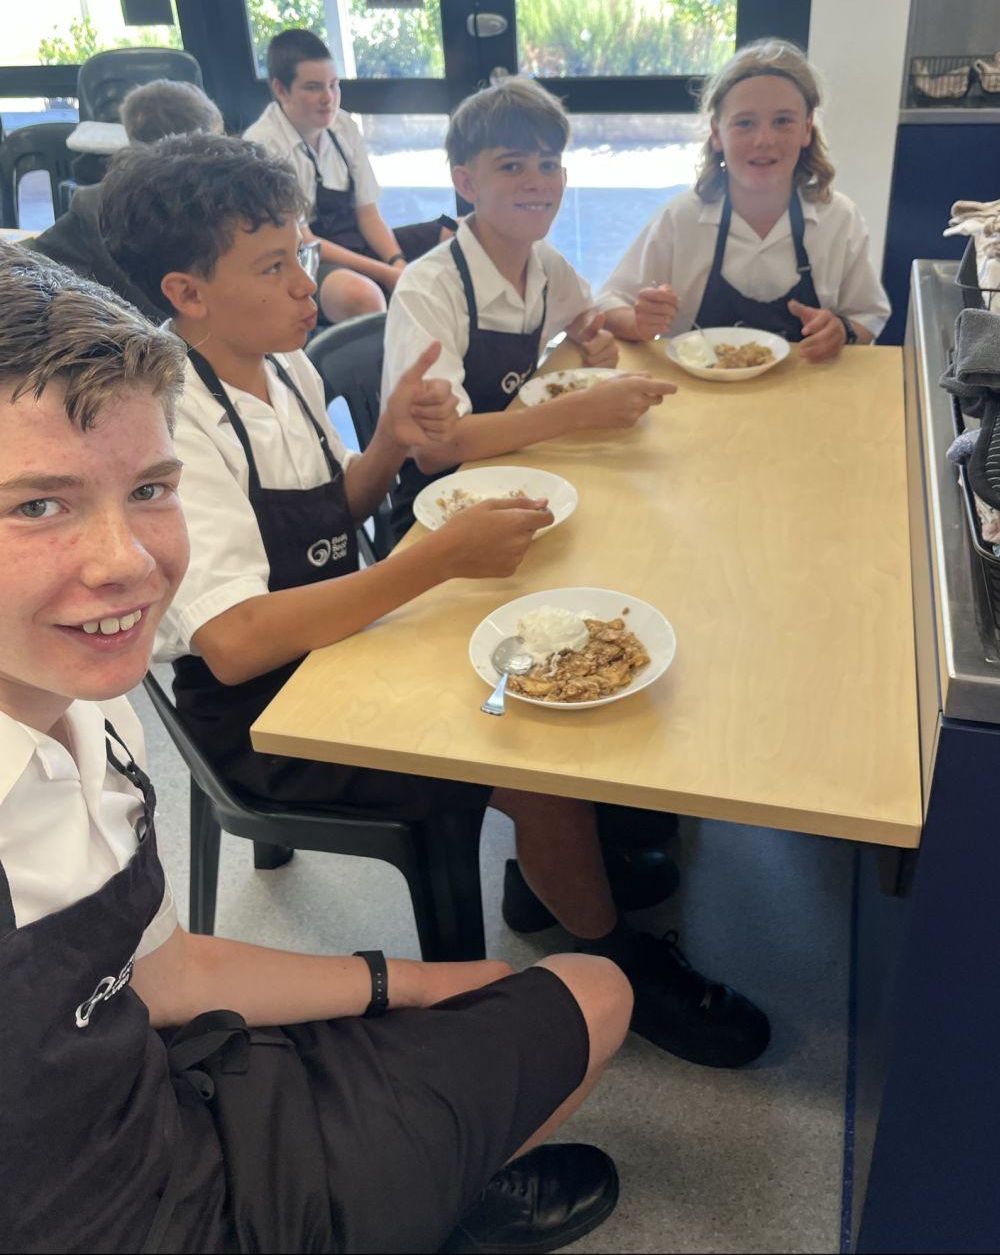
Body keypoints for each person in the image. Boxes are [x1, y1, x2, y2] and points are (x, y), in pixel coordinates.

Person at [0, 243, 632, 1254]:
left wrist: (403, 983)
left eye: (152, 490)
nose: (129, 565)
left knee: (587, 991)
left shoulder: (91, 702)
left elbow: (160, 977)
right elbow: (234, 641)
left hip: (168, 1096)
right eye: (39, 505)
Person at [99, 133, 770, 1071]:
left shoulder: (282, 363)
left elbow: (336, 512)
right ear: (187, 292)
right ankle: (615, 952)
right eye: (274, 265)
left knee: (552, 660)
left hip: (342, 637)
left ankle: (554, 874)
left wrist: (384, 443)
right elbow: (237, 642)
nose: (306, 284)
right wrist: (438, 563)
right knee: (531, 748)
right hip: (265, 716)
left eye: (301, 253)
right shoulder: (175, 422)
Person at [381, 76, 680, 542]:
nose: (537, 182)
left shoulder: (541, 261)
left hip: (524, 475)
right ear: (466, 183)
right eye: (511, 166)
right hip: (440, 514)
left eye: (548, 164)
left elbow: (585, 310)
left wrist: (602, 330)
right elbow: (436, 449)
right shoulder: (429, 290)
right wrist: (580, 410)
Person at [599, 39, 891, 357]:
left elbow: (868, 316)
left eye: (783, 121)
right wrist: (639, 322)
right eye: (745, 123)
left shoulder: (839, 219)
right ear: (717, 134)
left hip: (809, 383)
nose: (763, 140)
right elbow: (608, 303)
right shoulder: (681, 219)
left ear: (806, 129)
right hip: (696, 388)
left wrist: (842, 331)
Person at [243, 28, 456, 324]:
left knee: (459, 229)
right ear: (281, 90)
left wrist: (398, 262)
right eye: (313, 88)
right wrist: (388, 274)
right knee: (362, 295)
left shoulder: (344, 126)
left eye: (334, 85)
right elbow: (305, 240)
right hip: (306, 260)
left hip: (354, 242)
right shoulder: (263, 145)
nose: (328, 98)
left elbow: (368, 214)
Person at [25, 78, 225, 321]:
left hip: (128, 334)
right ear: (210, 140)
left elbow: (28, 265)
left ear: (130, 137)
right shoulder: (233, 204)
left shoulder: (95, 204)